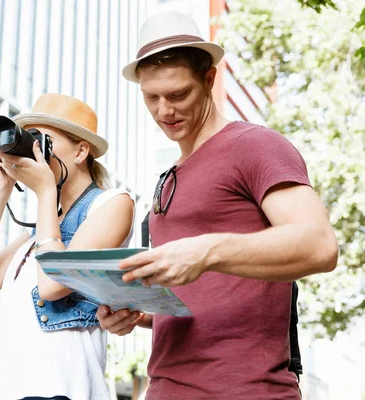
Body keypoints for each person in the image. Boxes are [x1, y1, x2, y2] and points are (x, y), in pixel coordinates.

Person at [96, 11, 338, 400]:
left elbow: (320, 245)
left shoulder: (255, 145)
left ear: (209, 79)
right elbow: (204, 298)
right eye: (151, 97)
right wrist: (139, 314)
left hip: (245, 391)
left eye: (178, 94)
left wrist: (206, 250)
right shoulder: (168, 177)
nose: (163, 111)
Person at [0, 93, 134, 400]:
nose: (35, 151)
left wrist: (43, 191)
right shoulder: (36, 237)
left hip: (62, 392)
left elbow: (53, 285)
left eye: (44, 140)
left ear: (81, 151)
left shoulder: (111, 205)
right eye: (30, 141)